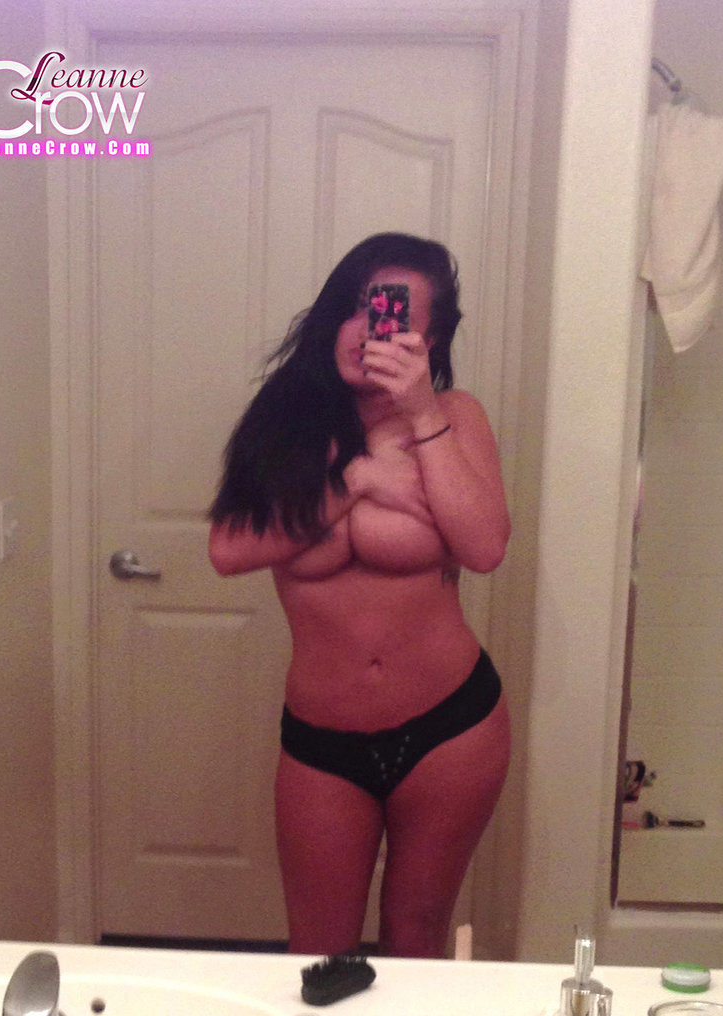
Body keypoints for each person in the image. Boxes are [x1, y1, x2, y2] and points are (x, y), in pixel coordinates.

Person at [208, 232, 511, 958]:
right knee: (320, 953)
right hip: (323, 742)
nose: (362, 329)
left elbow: (485, 548)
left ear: (430, 340)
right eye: (353, 306)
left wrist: (422, 413)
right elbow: (229, 550)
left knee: (417, 941)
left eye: (389, 315)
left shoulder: (455, 418)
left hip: (451, 728)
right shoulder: (286, 425)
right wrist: (358, 480)